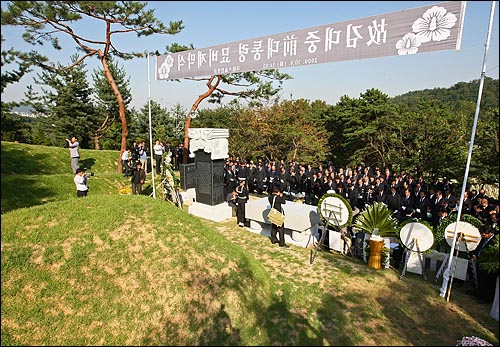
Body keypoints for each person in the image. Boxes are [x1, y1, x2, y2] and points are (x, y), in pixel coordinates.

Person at [470, 224, 498, 304]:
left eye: (484, 234)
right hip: (479, 261)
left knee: (486, 282)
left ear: (490, 233)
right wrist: (475, 254)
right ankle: (478, 293)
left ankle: (485, 298)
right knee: (479, 279)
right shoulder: (483, 239)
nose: (483, 236)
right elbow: (479, 247)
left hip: (487, 263)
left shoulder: (494, 241)